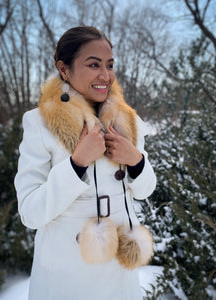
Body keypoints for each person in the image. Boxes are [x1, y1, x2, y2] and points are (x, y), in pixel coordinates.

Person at [14, 26, 157, 300]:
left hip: (119, 274)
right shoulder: (39, 123)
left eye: (110, 65)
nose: (106, 75)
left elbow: (145, 190)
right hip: (66, 277)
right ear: (64, 69)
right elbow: (30, 213)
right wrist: (77, 164)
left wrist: (135, 160)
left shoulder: (127, 121)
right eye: (93, 65)